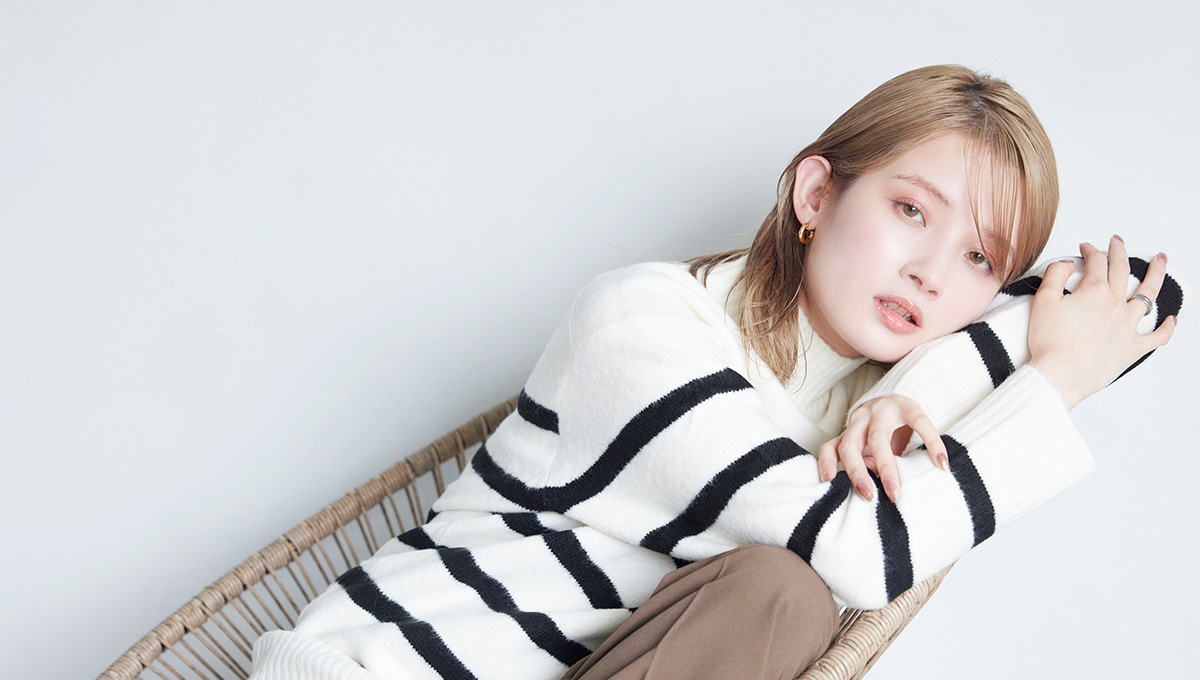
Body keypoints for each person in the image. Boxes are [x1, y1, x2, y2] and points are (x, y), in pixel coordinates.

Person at [249, 65, 1183, 680]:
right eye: (911, 210)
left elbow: (1148, 295)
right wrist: (1055, 384)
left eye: (980, 257)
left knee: (777, 595)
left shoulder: (862, 409)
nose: (933, 274)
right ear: (816, 194)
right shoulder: (642, 323)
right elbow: (857, 555)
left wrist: (918, 393)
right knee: (790, 590)